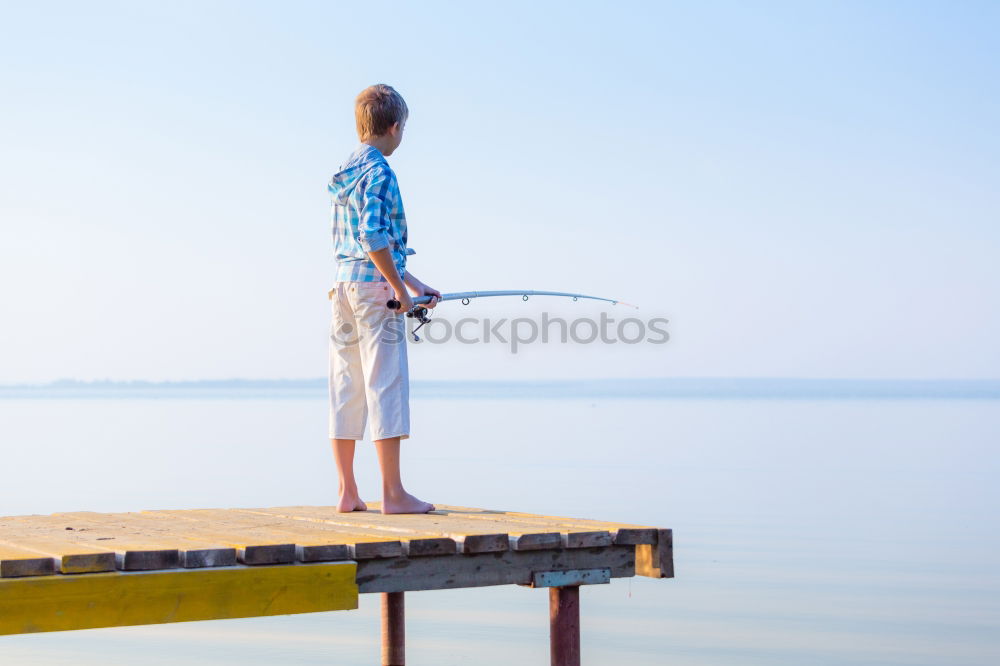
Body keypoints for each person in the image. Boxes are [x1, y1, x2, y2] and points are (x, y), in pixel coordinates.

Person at [326, 84, 439, 514]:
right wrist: (396, 288)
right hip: (375, 292)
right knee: (385, 385)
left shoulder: (345, 172)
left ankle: (348, 492)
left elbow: (371, 245)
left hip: (343, 288)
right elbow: (372, 236)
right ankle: (392, 494)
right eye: (404, 127)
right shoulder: (381, 172)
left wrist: (413, 284)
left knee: (345, 386)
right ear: (394, 127)